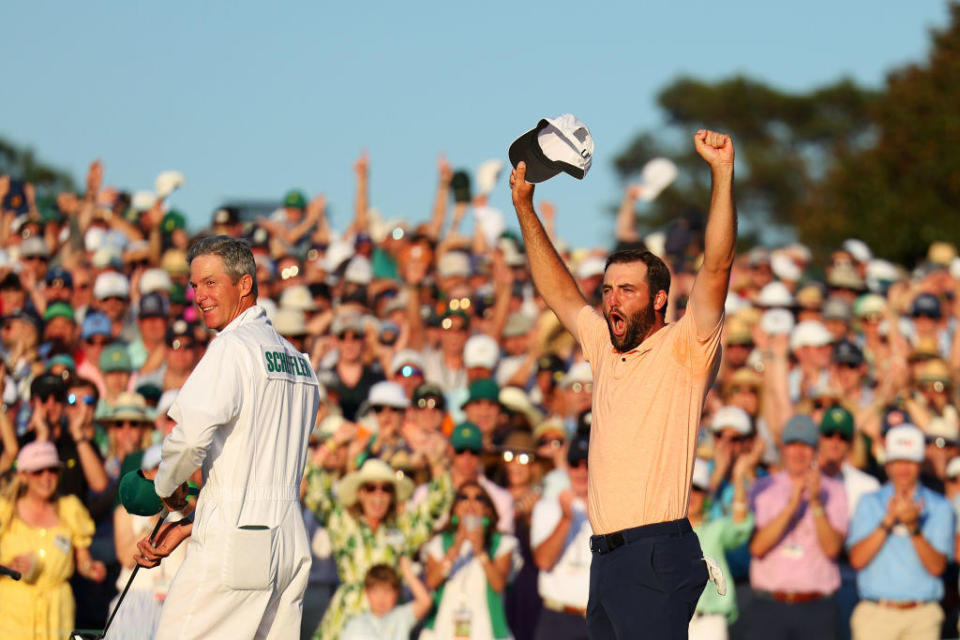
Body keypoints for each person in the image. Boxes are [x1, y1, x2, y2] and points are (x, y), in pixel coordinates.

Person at [509, 130, 736, 637]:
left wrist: (722, 174)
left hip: (655, 550)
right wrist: (525, 208)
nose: (613, 300)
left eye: (627, 290)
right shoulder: (604, 349)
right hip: (606, 554)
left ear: (659, 299)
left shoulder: (686, 347)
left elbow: (717, 264)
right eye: (608, 289)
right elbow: (560, 293)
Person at [133, 236, 322, 639]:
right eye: (194, 285)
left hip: (237, 540)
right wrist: (189, 525)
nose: (199, 295)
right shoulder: (301, 364)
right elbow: (259, 475)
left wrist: (168, 492)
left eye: (210, 283)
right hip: (289, 538)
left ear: (244, 284)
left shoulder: (232, 348)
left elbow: (188, 441)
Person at [303, 428, 452, 640]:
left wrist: (433, 459)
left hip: (389, 624)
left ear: (393, 496)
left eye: (386, 489)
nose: (379, 495)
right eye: (371, 488)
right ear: (360, 493)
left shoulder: (402, 528)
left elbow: (437, 504)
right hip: (346, 620)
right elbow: (315, 488)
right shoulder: (344, 523)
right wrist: (332, 444)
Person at [847, 425, 954, 640]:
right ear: (887, 465)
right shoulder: (869, 503)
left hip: (922, 616)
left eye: (910, 461)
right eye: (897, 461)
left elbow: (937, 566)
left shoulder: (940, 506)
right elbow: (857, 560)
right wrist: (888, 521)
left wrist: (914, 527)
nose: (903, 469)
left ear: (920, 463)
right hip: (876, 613)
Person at [747, 415, 848, 640]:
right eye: (792, 445)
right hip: (769, 605)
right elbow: (757, 547)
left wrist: (816, 504)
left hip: (816, 607)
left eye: (805, 446)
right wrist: (792, 506)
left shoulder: (834, 490)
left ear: (815, 450)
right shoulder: (764, 487)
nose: (798, 453)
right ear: (783, 448)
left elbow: (832, 549)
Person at [0, 441, 106, 639]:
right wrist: (7, 567)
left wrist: (90, 568)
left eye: (52, 470)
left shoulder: (70, 509)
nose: (46, 477)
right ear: (23, 475)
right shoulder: (5, 510)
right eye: (38, 471)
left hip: (57, 613)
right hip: (12, 614)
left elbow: (82, 558)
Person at [422, 480, 521, 640]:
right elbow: (432, 582)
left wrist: (480, 551)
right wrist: (455, 549)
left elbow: (499, 584)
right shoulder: (439, 542)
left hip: (485, 630)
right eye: (464, 497)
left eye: (478, 498)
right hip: (444, 628)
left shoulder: (502, 543)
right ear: (454, 508)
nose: (471, 503)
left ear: (487, 510)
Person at [530, 429, 592, 640]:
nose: (581, 472)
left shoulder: (609, 512)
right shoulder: (547, 507)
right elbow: (544, 561)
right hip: (558, 619)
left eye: (588, 465)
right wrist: (565, 520)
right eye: (575, 464)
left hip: (599, 619)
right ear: (567, 467)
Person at [688, 456, 753, 640]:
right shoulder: (665, 535)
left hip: (710, 623)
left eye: (698, 489)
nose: (692, 495)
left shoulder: (716, 529)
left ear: (706, 495)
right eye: (688, 489)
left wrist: (739, 479)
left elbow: (741, 528)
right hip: (674, 621)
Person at [340, 557, 433, 640]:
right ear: (367, 593)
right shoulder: (355, 624)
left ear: (397, 593)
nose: (381, 598)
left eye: (387, 591)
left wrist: (407, 571)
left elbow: (425, 601)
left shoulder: (401, 617)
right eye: (375, 592)